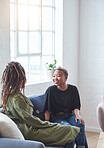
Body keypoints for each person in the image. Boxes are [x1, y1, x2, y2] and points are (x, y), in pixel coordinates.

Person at [1, 61, 80, 148]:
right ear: (19, 79)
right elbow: (30, 120)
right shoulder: (17, 99)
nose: (25, 80)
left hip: (31, 127)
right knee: (69, 130)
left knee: (69, 130)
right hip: (30, 131)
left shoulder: (7, 95)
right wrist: (51, 124)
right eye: (23, 77)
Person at [44, 67, 88, 148]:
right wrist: (47, 123)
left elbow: (76, 106)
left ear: (66, 77)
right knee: (69, 128)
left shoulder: (73, 89)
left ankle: (81, 146)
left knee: (80, 124)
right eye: (54, 76)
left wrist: (78, 116)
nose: (55, 78)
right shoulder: (50, 90)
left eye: (59, 76)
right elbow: (47, 109)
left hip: (71, 115)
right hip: (58, 118)